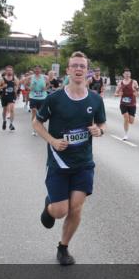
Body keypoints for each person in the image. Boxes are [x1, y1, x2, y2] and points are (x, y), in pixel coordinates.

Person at [34, 51, 106, 265]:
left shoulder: (95, 99)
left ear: (87, 71)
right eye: (74, 65)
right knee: (60, 211)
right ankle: (50, 206)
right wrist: (53, 141)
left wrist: (99, 131)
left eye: (82, 66)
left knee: (76, 207)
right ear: (68, 70)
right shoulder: (55, 98)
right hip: (59, 162)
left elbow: (102, 124)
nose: (78, 69)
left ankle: (63, 247)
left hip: (83, 163)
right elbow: (37, 124)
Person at [115, 69, 139, 141]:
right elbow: (115, 93)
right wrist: (118, 94)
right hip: (123, 104)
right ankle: (126, 134)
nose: (127, 75)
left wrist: (137, 93)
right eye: (126, 74)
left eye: (128, 74)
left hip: (132, 104)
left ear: (130, 74)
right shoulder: (120, 83)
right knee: (126, 118)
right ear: (123, 75)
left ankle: (128, 123)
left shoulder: (134, 82)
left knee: (131, 121)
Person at [0, 65, 19, 131]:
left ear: (12, 71)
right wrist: (3, 87)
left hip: (12, 96)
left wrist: (16, 89)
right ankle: (4, 121)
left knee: (12, 109)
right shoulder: (2, 79)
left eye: (10, 70)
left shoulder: (15, 79)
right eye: (8, 70)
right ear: (6, 71)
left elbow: (17, 87)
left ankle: (11, 124)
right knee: (5, 110)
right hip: (4, 96)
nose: (9, 71)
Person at [28, 65, 49, 136]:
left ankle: (39, 127)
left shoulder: (45, 77)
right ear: (34, 70)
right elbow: (24, 84)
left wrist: (45, 88)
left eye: (38, 69)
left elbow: (49, 84)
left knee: (40, 114)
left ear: (40, 70)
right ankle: (34, 129)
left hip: (42, 97)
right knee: (34, 111)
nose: (37, 70)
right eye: (36, 69)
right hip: (33, 97)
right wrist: (30, 88)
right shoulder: (31, 77)